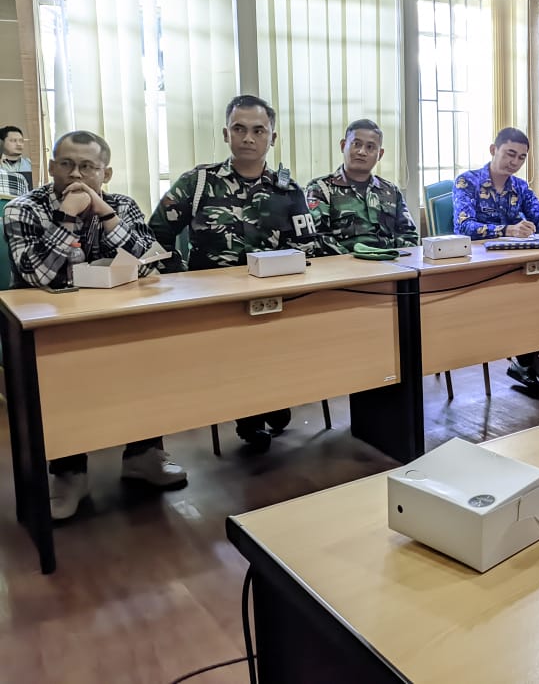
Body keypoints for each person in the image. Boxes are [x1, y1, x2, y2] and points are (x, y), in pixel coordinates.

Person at [4, 130, 187, 520]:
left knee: (149, 354)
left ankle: (144, 455)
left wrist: (105, 214)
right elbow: (38, 275)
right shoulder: (23, 208)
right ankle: (69, 473)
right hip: (50, 328)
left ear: (106, 173)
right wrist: (68, 217)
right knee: (60, 378)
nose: (75, 174)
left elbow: (151, 262)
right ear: (51, 166)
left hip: (118, 321)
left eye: (88, 167)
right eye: (66, 164)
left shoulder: (122, 205)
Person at [149, 95, 317, 453]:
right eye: (239, 129)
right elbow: (156, 236)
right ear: (226, 134)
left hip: (275, 301)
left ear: (272, 138)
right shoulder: (198, 183)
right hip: (214, 302)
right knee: (237, 352)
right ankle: (251, 416)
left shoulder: (288, 191)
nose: (248, 138)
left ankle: (271, 399)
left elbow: (307, 248)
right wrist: (181, 279)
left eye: (259, 130)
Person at [453, 127, 539, 394]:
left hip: (517, 262)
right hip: (480, 266)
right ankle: (529, 361)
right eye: (510, 154)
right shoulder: (467, 182)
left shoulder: (520, 186)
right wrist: (506, 230)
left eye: (521, 158)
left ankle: (530, 356)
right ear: (494, 150)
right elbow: (463, 226)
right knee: (519, 303)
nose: (514, 163)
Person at [307, 119, 418, 255]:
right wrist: (360, 261)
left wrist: (393, 257)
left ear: (380, 154)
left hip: (390, 266)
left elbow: (409, 235)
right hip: (345, 269)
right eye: (356, 144)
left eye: (370, 147)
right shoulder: (320, 189)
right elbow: (318, 238)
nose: (362, 152)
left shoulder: (390, 191)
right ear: (343, 146)